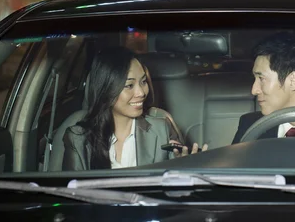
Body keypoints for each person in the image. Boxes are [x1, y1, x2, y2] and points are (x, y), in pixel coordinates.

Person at [63, 46, 207, 170]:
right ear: (106, 89)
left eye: (143, 82)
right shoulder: (78, 139)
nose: (141, 93)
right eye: (129, 85)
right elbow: (71, 194)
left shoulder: (161, 129)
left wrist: (183, 166)